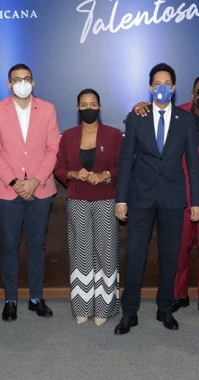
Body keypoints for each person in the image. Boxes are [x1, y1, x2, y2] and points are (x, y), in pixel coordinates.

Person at [132, 75, 199, 320]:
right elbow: (154, 116)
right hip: (179, 192)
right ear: (192, 94)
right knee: (179, 248)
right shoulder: (177, 114)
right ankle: (179, 294)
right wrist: (140, 106)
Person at [113, 63, 199, 335]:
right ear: (150, 87)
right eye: (157, 83)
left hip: (173, 198)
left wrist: (197, 200)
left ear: (174, 88)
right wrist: (121, 199)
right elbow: (126, 161)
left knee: (170, 255)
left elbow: (194, 164)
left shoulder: (186, 120)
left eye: (167, 83)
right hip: (140, 197)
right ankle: (129, 313)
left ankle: (165, 309)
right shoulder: (136, 117)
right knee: (134, 255)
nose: (162, 87)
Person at [0, 63, 60, 322]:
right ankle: (11, 300)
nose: (22, 83)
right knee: (9, 246)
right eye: (17, 79)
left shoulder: (47, 109)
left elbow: (53, 148)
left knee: (37, 246)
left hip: (41, 189)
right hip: (8, 190)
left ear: (33, 83)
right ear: (9, 85)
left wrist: (35, 181)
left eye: (27, 79)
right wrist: (15, 181)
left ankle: (36, 298)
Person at [54, 89, 123, 326]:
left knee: (106, 252)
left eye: (93, 104)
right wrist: (74, 174)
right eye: (84, 105)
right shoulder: (68, 136)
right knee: (81, 253)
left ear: (100, 107)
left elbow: (123, 166)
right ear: (77, 108)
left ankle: (104, 307)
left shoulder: (114, 135)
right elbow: (59, 168)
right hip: (78, 200)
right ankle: (82, 306)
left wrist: (105, 175)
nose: (88, 108)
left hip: (106, 199)